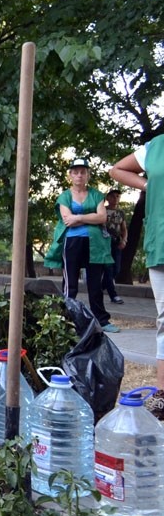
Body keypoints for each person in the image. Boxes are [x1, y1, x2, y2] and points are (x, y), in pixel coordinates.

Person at [109, 134, 164, 386]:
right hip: (161, 243)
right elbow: (117, 170)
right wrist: (149, 185)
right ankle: (162, 393)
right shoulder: (157, 146)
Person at [43, 157, 117, 332]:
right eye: (75, 172)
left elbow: (102, 217)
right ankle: (64, 318)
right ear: (70, 175)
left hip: (95, 243)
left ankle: (102, 321)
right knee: (70, 283)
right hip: (72, 241)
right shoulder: (65, 196)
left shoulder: (96, 194)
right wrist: (89, 217)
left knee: (95, 284)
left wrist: (79, 217)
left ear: (88, 175)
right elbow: (67, 220)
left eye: (83, 172)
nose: (79, 175)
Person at [101, 188, 128, 305]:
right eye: (112, 196)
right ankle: (113, 295)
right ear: (107, 198)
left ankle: (100, 287)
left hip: (116, 242)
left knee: (116, 269)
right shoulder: (102, 210)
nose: (115, 198)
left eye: (117, 196)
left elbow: (124, 229)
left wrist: (124, 240)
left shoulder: (120, 213)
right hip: (105, 242)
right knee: (108, 268)